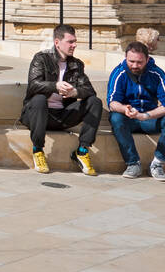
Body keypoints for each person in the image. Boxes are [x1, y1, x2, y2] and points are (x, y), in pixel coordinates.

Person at [18, 24, 103, 175]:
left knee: (95, 102)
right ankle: (38, 150)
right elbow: (33, 86)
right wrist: (55, 86)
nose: (74, 45)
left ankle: (82, 151)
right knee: (39, 99)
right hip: (37, 115)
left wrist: (75, 92)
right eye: (70, 42)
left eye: (75, 41)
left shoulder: (76, 65)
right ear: (57, 42)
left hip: (62, 115)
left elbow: (90, 90)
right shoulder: (41, 58)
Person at [107, 41, 165, 181]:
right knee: (115, 118)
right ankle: (132, 163)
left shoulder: (157, 73)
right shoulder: (119, 73)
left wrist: (145, 115)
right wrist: (125, 109)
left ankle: (157, 164)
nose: (135, 65)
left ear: (147, 59)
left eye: (139, 62)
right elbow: (112, 102)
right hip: (128, 119)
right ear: (125, 57)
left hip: (150, 119)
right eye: (131, 61)